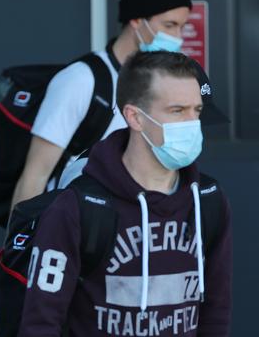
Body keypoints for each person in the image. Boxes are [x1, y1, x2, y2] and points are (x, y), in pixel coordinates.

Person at [0, 0, 195, 298]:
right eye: (169, 25)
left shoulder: (164, 87)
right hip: (73, 249)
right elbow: (34, 178)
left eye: (182, 26)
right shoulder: (81, 81)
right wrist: (14, 259)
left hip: (135, 253)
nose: (178, 37)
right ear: (137, 21)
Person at [19, 51, 232, 336]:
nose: (193, 124)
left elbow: (215, 311)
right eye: (177, 110)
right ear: (135, 117)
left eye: (197, 110)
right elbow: (40, 323)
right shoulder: (76, 207)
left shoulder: (207, 199)